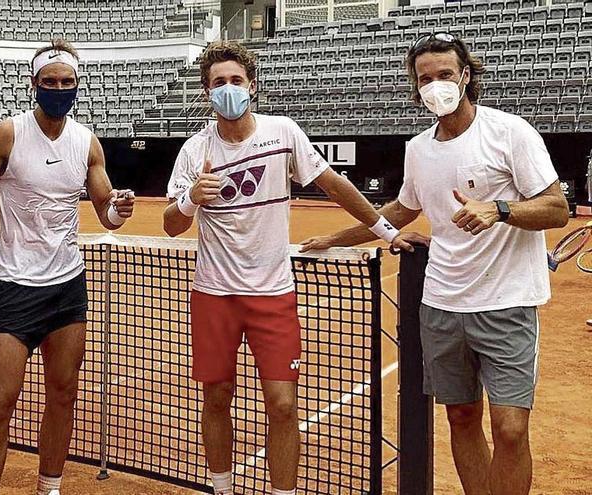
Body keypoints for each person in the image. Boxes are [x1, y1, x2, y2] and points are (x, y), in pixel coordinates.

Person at [301, 33, 569, 495]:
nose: (436, 85)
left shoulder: (510, 132)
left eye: (445, 74)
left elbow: (556, 209)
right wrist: (335, 238)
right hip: (441, 305)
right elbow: (400, 212)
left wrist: (498, 209)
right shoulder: (418, 149)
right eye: (425, 78)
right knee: (462, 418)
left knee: (510, 429)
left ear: (465, 76)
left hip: (507, 304)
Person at [162, 40, 411, 495]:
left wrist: (387, 232)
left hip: (273, 295)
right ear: (206, 93)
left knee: (282, 405)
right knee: (216, 398)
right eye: (219, 83)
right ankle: (221, 487)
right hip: (213, 295)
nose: (229, 89)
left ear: (252, 85)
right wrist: (190, 198)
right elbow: (171, 225)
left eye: (236, 80)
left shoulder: (282, 133)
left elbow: (334, 185)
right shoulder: (195, 152)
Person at [0, 39, 135, 495]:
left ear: (77, 86)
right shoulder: (7, 134)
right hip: (15, 287)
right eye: (50, 81)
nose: (59, 88)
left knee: (64, 395)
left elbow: (105, 212)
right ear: (34, 85)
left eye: (67, 82)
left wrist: (120, 208)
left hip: (67, 289)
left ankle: (48, 488)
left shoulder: (86, 142)